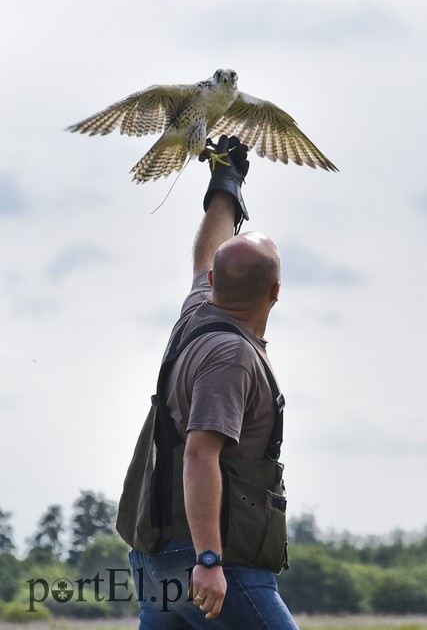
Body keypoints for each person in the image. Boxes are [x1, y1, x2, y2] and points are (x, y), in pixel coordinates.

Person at [128, 136, 299, 629]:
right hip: (210, 558)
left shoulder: (199, 310)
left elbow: (208, 251)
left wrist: (225, 185)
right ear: (276, 292)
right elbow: (201, 453)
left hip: (158, 553)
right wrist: (208, 560)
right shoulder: (231, 357)